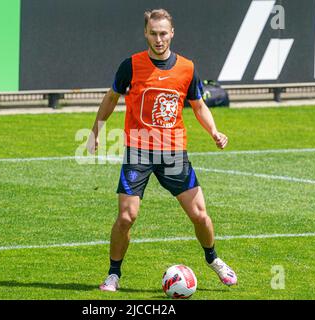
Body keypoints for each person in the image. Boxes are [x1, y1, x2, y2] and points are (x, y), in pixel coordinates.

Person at [86, 8, 237, 292]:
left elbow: (199, 105)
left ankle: (214, 260)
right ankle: (113, 274)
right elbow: (111, 98)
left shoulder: (187, 68)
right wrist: (95, 132)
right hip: (138, 151)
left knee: (200, 215)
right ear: (145, 33)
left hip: (173, 154)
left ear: (172, 33)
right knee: (126, 217)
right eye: (153, 33)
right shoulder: (130, 66)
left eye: (163, 33)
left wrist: (214, 131)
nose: (158, 39)